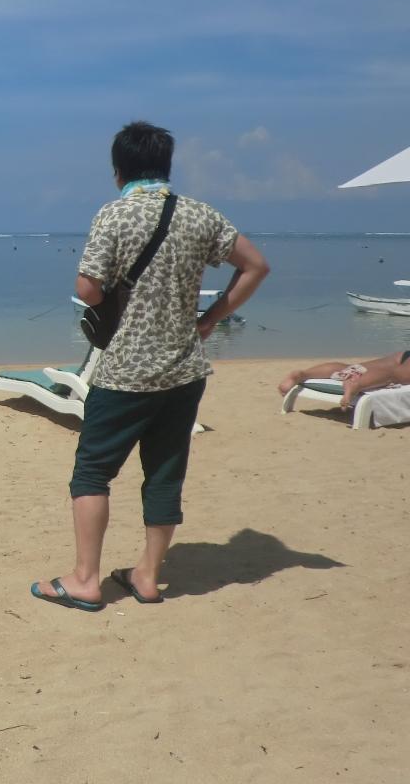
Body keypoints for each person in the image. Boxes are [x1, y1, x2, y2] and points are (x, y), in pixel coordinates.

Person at [31, 122, 269, 610]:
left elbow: (87, 289)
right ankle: (147, 576)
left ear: (118, 170)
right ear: (166, 165)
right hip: (184, 370)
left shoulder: (114, 214)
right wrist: (211, 318)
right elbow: (256, 266)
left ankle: (85, 580)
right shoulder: (200, 214)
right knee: (164, 474)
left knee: (92, 472)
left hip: (125, 372)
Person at [278, 351, 410, 407]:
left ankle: (303, 374)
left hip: (403, 354)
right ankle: (357, 384)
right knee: (393, 375)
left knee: (352, 368)